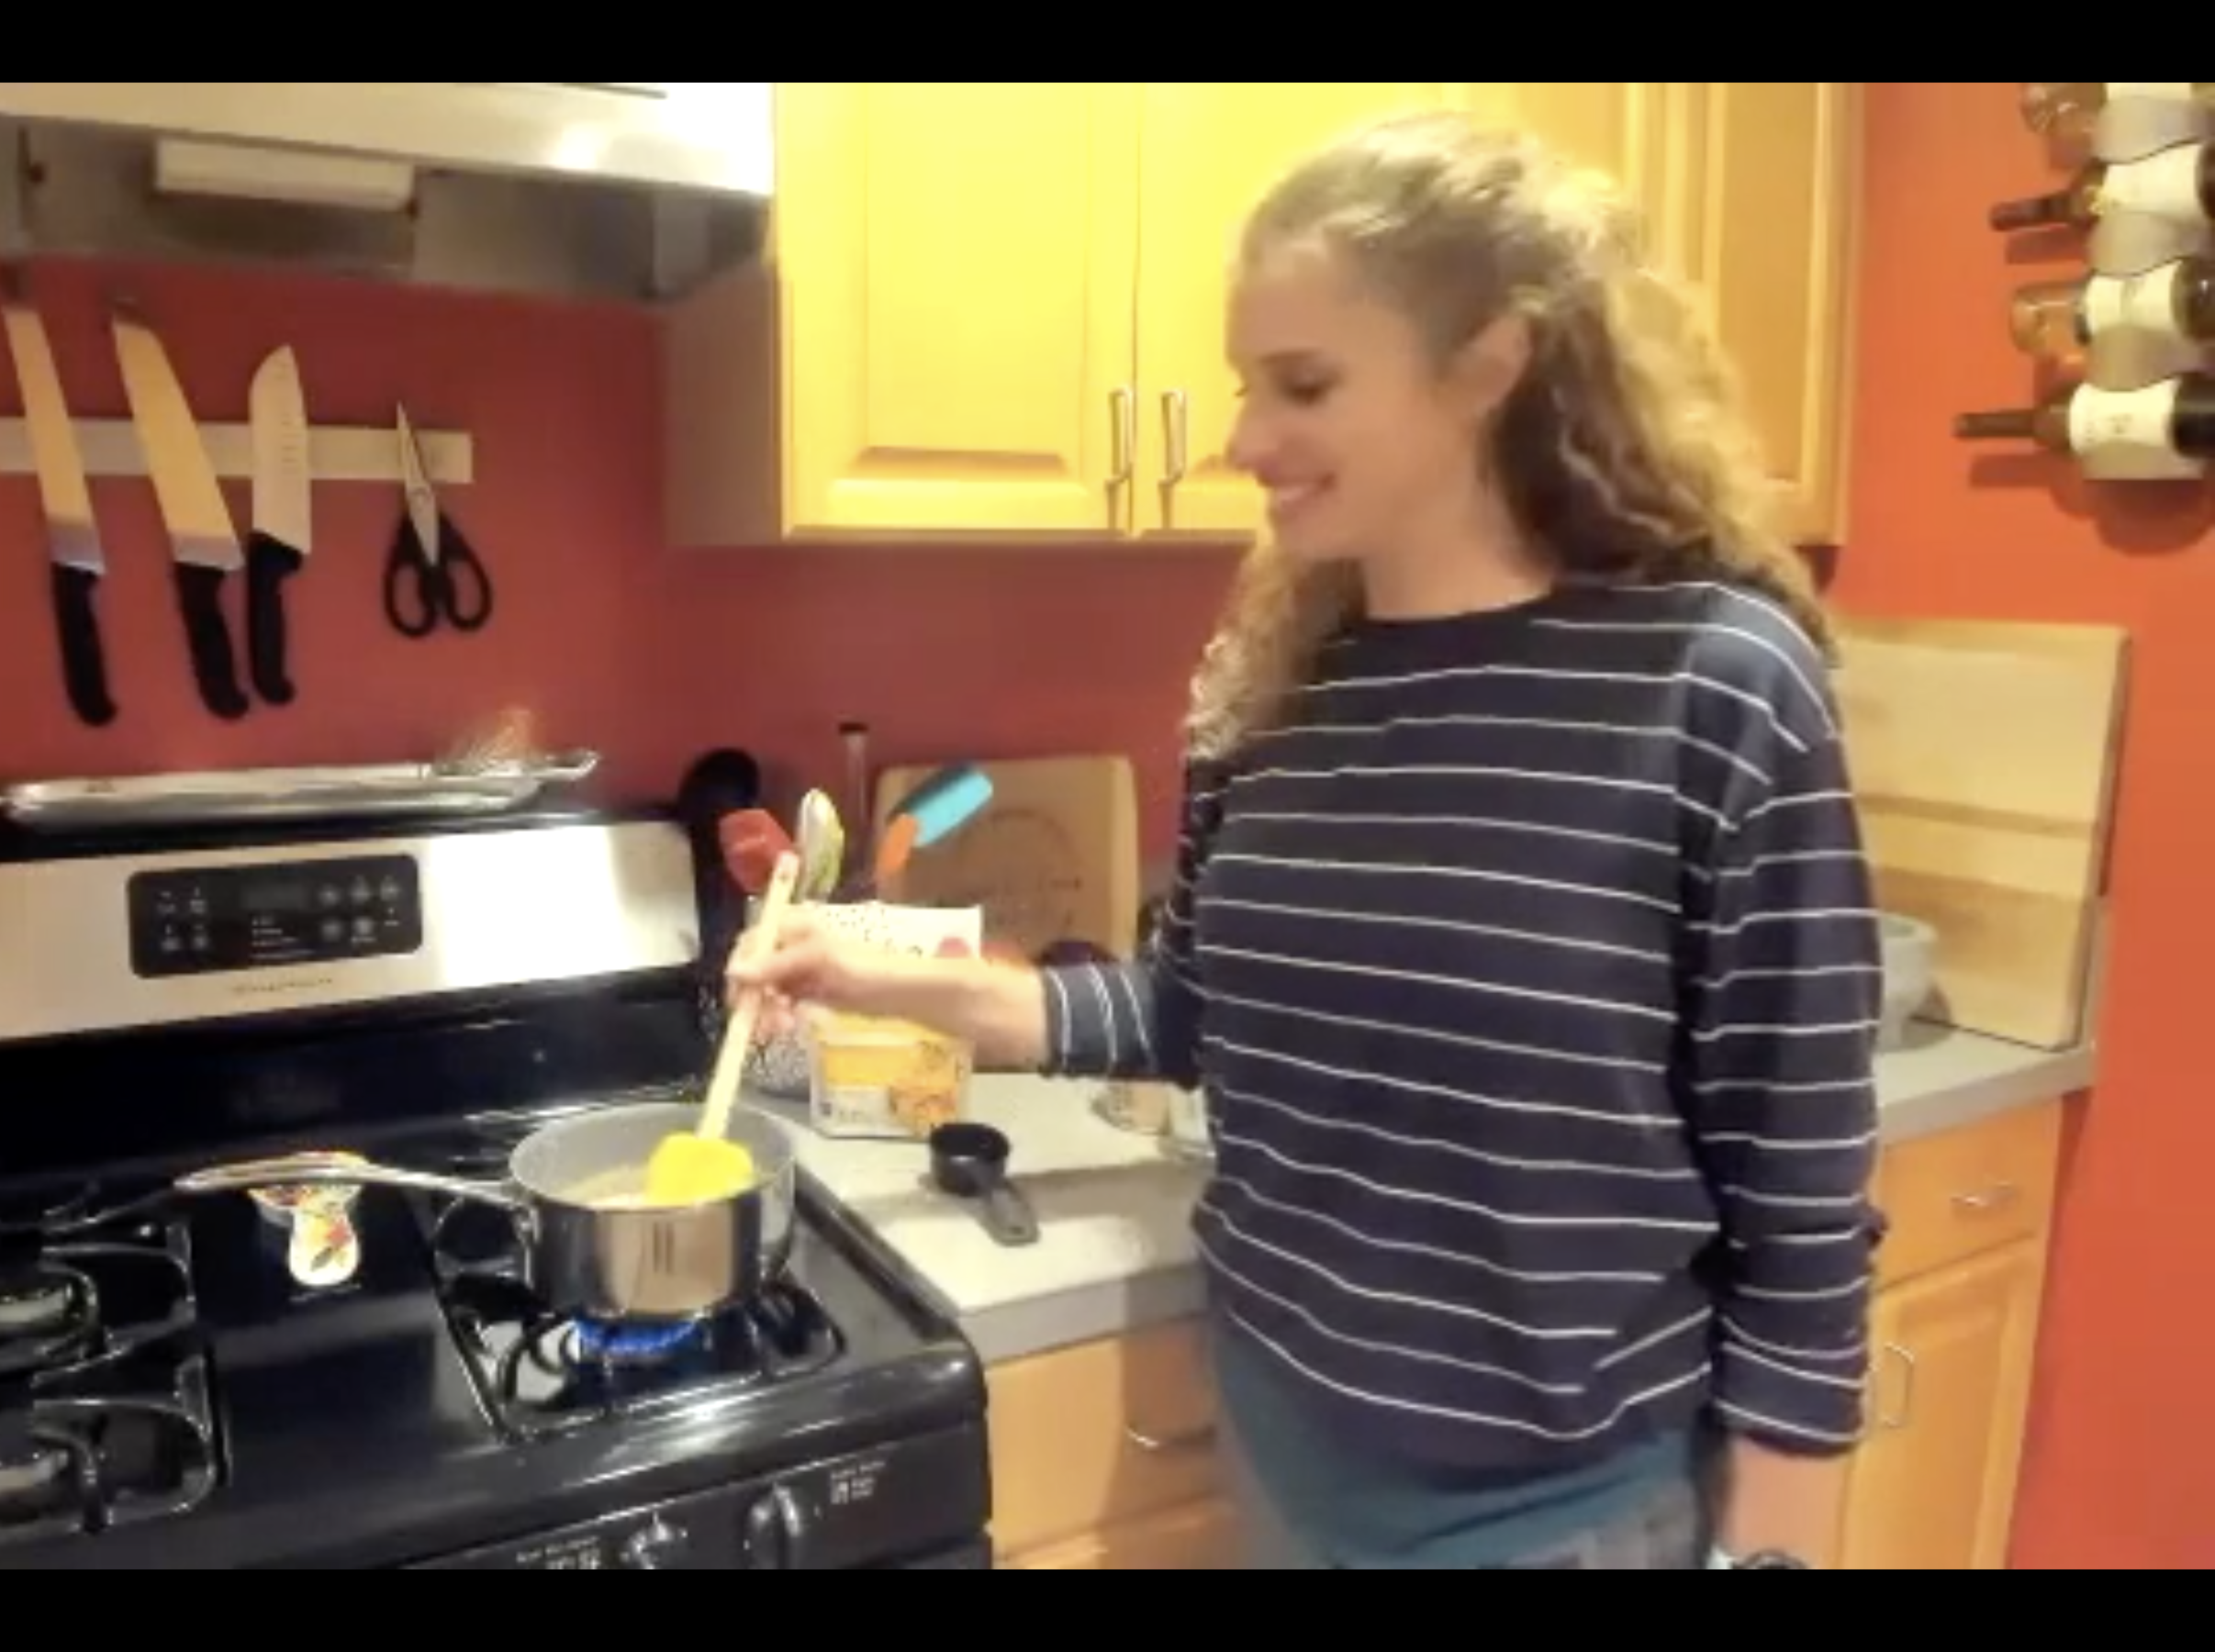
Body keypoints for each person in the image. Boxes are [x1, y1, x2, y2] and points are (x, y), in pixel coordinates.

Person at [731, 109, 1881, 1572]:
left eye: (1305, 384)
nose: (1241, 439)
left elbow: (1802, 1203)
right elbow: (1191, 1010)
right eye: (1244, 386)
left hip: (1562, 1518)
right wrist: (877, 969)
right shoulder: (1274, 687)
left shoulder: (1714, 692)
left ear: (1491, 362)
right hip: (1285, 1459)